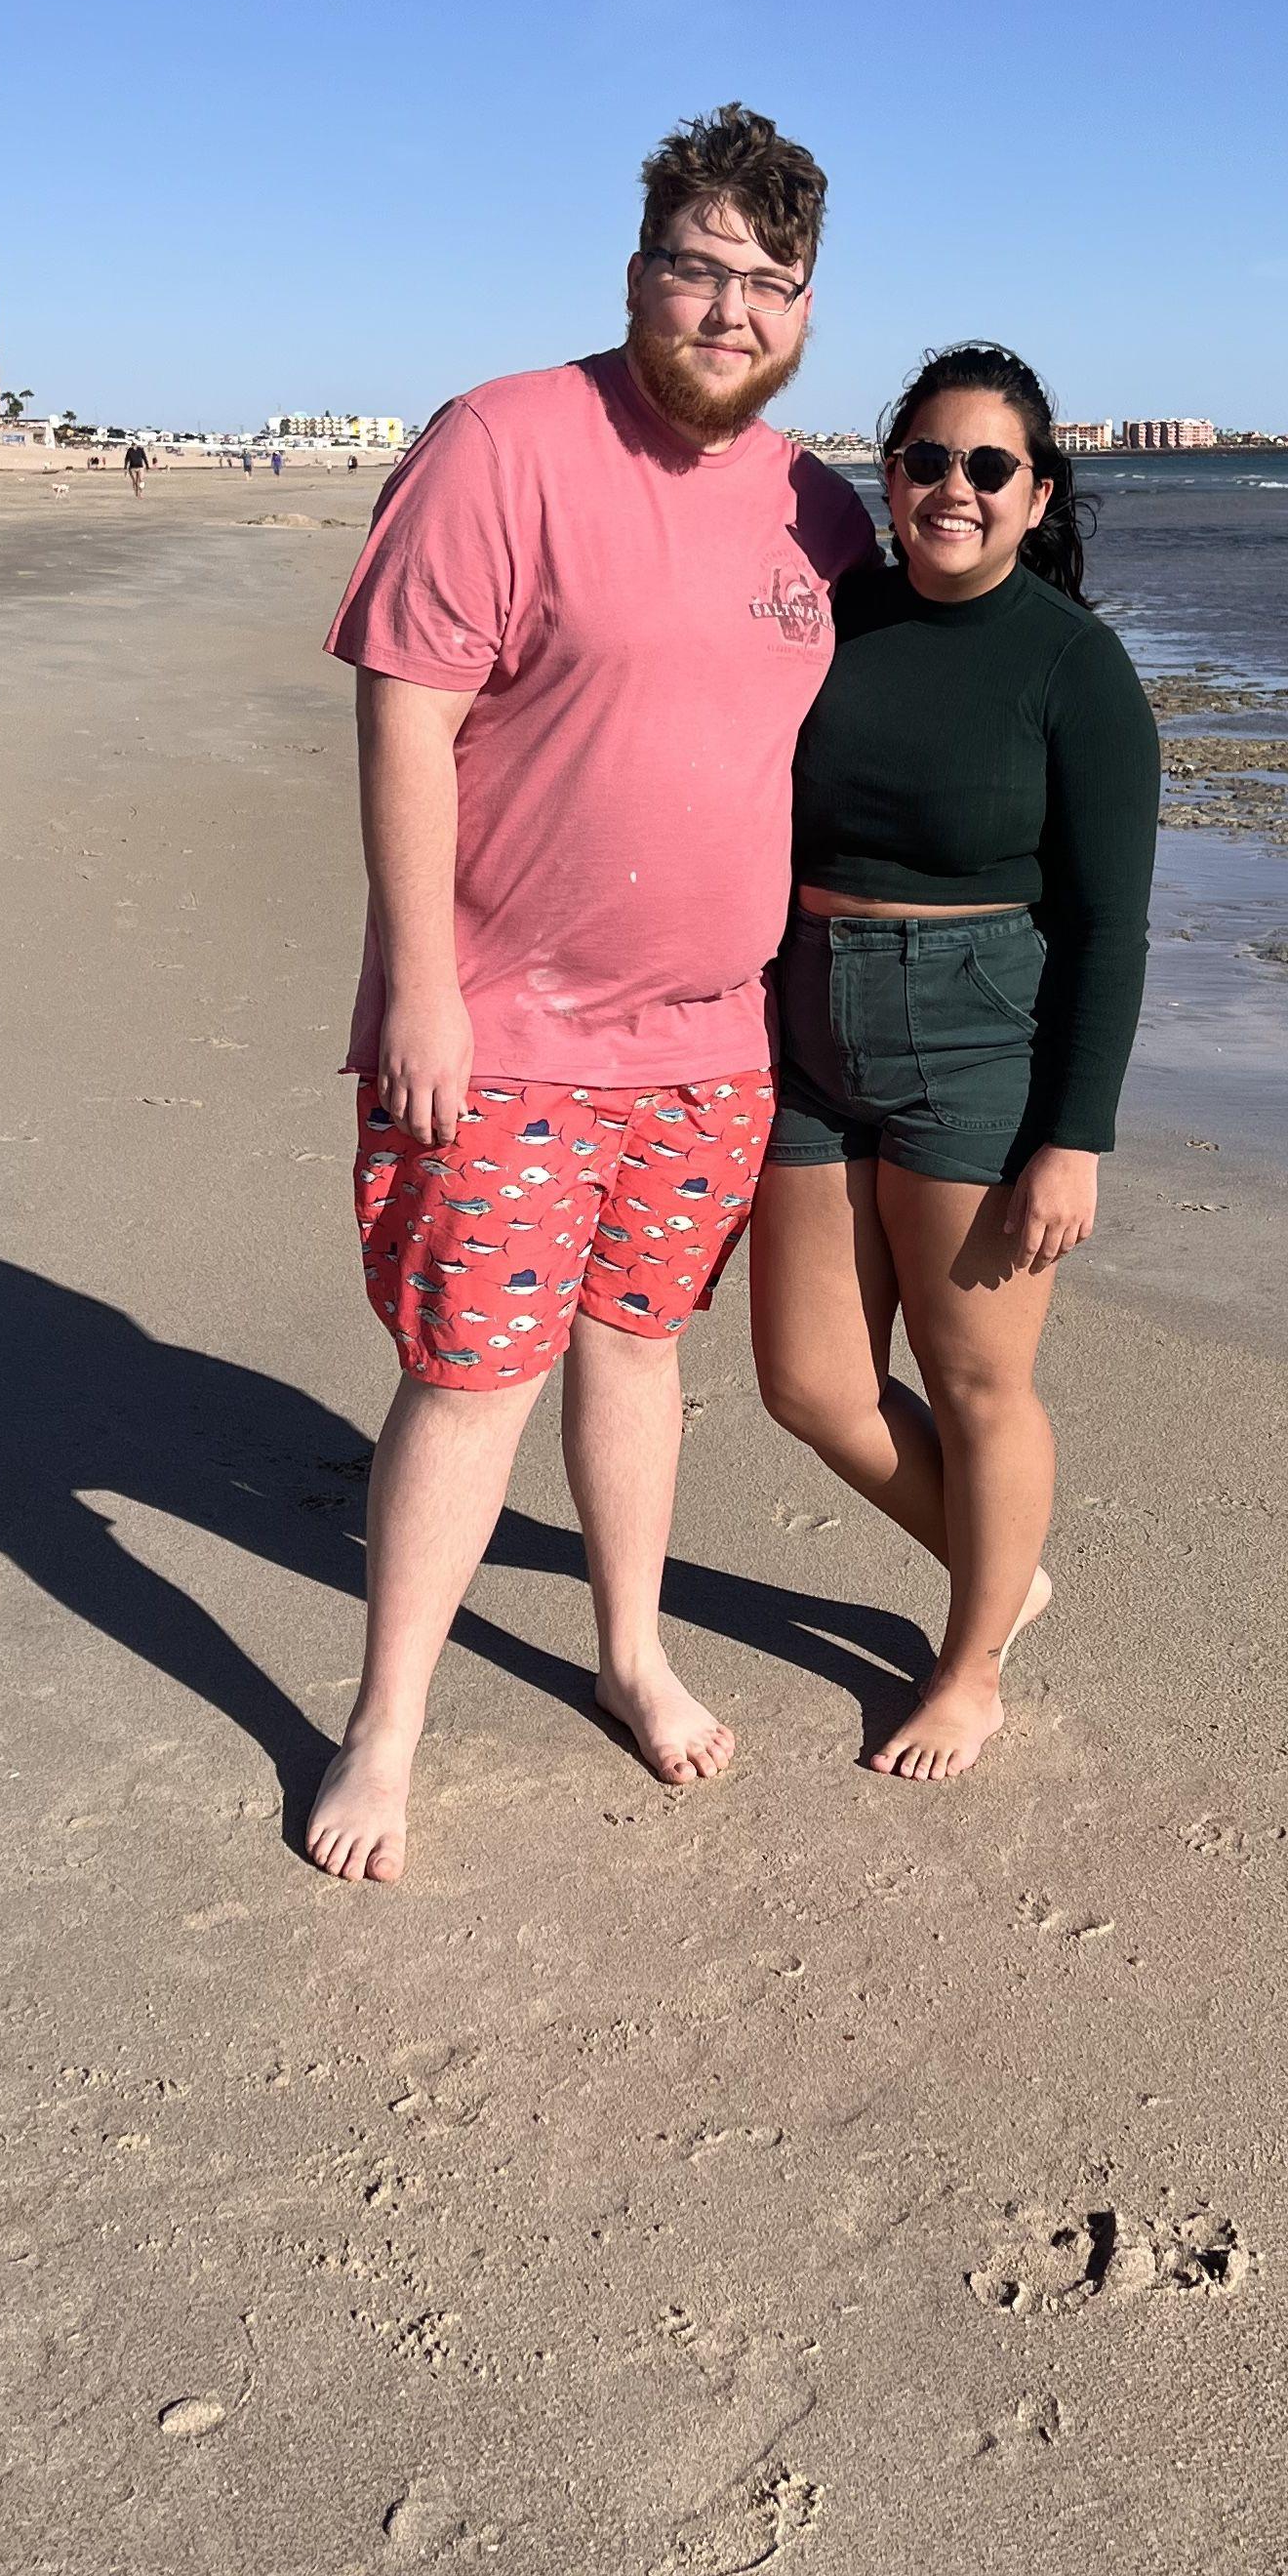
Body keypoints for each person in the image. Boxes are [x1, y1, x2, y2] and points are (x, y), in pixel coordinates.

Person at [303, 104, 874, 1885]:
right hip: (510, 1022)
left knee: (640, 1351)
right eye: (699, 270)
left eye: (768, 283)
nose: (730, 310)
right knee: (472, 1374)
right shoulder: (505, 442)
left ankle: (630, 1652)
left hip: (714, 1037)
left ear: (803, 311)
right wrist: (422, 984)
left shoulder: (818, 508)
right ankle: (385, 1724)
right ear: (639, 275)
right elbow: (404, 708)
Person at [747, 344, 1159, 1782]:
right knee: (808, 1385)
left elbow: (1111, 924)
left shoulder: (1074, 667)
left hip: (978, 1030)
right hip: (799, 1014)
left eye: (991, 467)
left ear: (1038, 495)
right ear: (891, 473)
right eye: (927, 459)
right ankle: (1005, 1569)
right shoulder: (834, 619)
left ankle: (970, 1662)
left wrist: (1074, 1135)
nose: (954, 488)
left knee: (977, 1381)